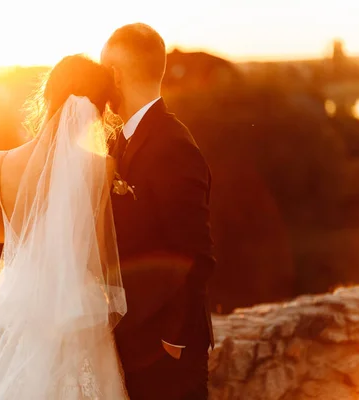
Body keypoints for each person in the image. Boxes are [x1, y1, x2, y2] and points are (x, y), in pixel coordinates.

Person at [0, 54, 128, 399]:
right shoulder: (101, 168)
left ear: (47, 96)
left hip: (18, 303)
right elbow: (99, 255)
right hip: (75, 303)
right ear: (97, 111)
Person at [101, 23, 216, 399]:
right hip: (134, 338)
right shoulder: (121, 139)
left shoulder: (172, 145)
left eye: (105, 71)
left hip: (168, 352)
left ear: (116, 75)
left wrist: (174, 339)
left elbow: (195, 253)